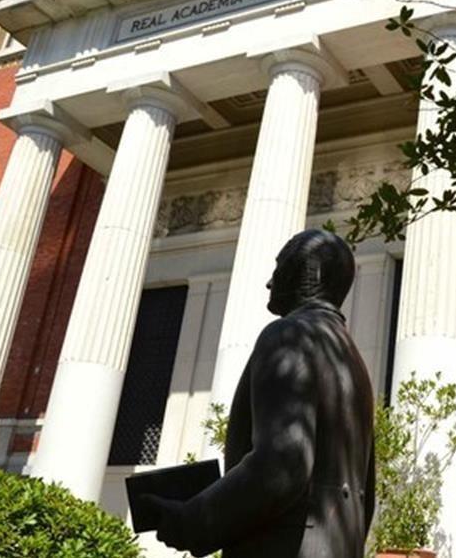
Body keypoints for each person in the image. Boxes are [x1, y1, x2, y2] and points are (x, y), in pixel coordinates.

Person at [142, 229, 375, 557]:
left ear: (312, 274)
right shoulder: (353, 360)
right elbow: (368, 495)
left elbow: (282, 464)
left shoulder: (289, 334)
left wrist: (191, 520)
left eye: (279, 267)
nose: (270, 282)